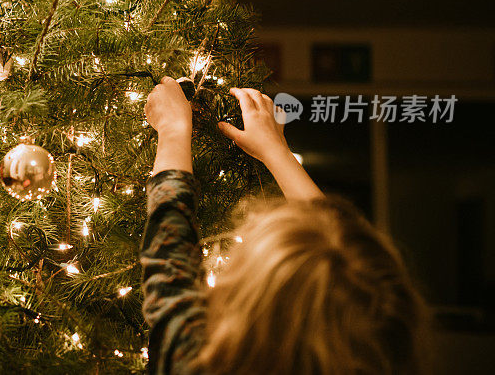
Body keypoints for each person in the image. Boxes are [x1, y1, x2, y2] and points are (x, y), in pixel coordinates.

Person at [141, 77, 429, 374]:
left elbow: (170, 264)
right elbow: (343, 251)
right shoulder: (380, 351)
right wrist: (276, 151)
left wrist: (174, 130)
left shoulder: (195, 365)